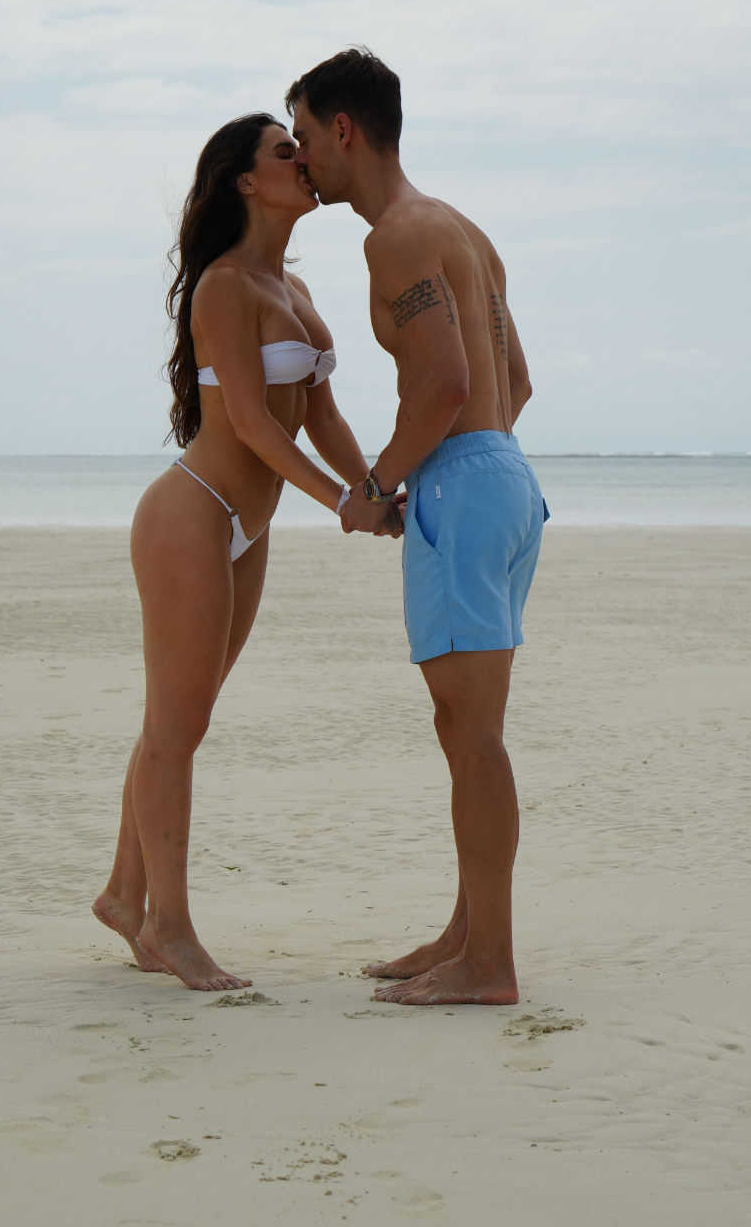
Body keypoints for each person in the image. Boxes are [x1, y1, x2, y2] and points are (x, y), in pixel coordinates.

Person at [92, 112, 386, 991]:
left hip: (246, 528)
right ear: (246, 183)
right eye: (284, 152)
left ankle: (123, 894)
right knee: (176, 729)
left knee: (181, 722)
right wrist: (340, 503)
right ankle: (168, 928)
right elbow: (253, 424)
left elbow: (320, 414)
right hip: (192, 513)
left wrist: (372, 487)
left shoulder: (294, 287)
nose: (304, 161)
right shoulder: (223, 285)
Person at [288, 49, 546, 1007]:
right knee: (465, 729)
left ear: (343, 130)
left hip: (463, 485)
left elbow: (441, 383)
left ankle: (490, 965)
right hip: (504, 474)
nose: (301, 157)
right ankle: (466, 934)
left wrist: (375, 486)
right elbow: (513, 381)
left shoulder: (394, 237)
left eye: (304, 136)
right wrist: (464, 466)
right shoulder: (461, 229)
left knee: (472, 739)